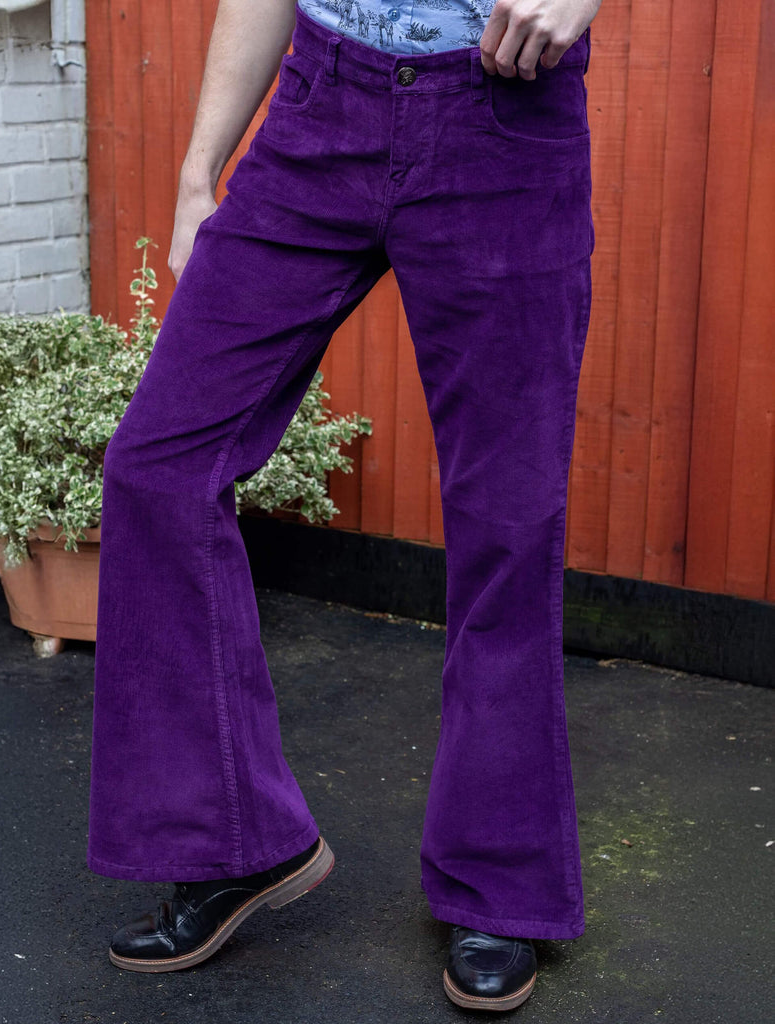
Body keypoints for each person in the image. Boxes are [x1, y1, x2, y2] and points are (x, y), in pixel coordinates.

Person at [87, 0, 603, 1011]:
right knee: (159, 464)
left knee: (507, 522)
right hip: (323, 106)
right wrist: (200, 172)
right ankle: (231, 836)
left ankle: (496, 881)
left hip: (503, 112)